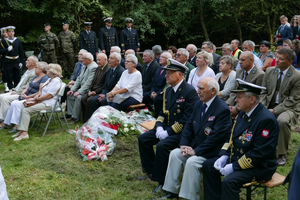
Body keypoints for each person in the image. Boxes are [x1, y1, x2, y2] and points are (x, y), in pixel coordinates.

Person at [202, 79, 279, 200]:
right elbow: (231, 138)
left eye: (239, 97)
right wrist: (224, 155)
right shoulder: (243, 113)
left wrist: (234, 166)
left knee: (229, 181)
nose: (235, 100)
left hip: (259, 166)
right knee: (208, 166)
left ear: (252, 100)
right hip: (239, 158)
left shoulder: (266, 120)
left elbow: (260, 154)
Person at [158, 77, 232, 200]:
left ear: (213, 91)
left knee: (192, 162)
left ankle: (190, 197)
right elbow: (188, 126)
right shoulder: (199, 104)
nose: (198, 91)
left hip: (211, 151)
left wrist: (196, 151)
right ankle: (171, 191)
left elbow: (215, 137)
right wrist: (184, 144)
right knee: (176, 154)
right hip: (195, 146)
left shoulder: (222, 109)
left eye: (201, 88)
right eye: (197, 87)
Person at [137, 59, 199, 193]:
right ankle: (151, 170)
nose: (166, 75)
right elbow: (162, 113)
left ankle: (162, 180)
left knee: (162, 145)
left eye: (170, 73)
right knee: (143, 139)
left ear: (180, 75)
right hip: (166, 128)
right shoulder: (168, 91)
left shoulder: (189, 92)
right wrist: (159, 126)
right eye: (166, 73)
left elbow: (187, 119)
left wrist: (168, 132)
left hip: (181, 132)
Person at [260, 47, 300, 166]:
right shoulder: (269, 71)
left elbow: (294, 99)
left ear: (289, 62)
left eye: (280, 59)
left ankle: (282, 153)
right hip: (269, 104)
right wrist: (262, 108)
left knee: (281, 121)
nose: (276, 60)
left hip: (289, 107)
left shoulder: (296, 76)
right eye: (276, 57)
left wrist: (275, 111)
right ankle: (259, 149)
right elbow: (263, 92)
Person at [13, 63, 63, 141]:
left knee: (26, 110)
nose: (47, 70)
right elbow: (41, 91)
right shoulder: (50, 79)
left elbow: (49, 95)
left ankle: (24, 133)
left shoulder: (56, 81)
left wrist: (36, 99)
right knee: (23, 107)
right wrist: (33, 98)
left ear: (53, 71)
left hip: (49, 103)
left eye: (48, 69)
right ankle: (22, 130)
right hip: (43, 101)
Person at [3, 62, 48, 133]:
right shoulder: (36, 77)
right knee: (14, 103)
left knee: (17, 104)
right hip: (26, 96)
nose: (35, 69)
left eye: (36, 67)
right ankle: (7, 123)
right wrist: (23, 92)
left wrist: (27, 96)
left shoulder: (44, 78)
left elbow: (40, 92)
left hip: (33, 98)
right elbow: (28, 86)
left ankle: (16, 125)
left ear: (41, 69)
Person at [0, 55, 38, 129]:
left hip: (23, 94)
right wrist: (14, 90)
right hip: (17, 91)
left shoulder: (34, 73)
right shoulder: (27, 71)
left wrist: (16, 92)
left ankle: (5, 122)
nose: (25, 61)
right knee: (0, 96)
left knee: (5, 99)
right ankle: (3, 119)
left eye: (28, 60)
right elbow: (21, 84)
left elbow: (27, 87)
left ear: (33, 63)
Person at [226, 52, 265, 119]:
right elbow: (234, 90)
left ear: (251, 60)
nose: (240, 62)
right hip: (237, 101)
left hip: (249, 104)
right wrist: (229, 105)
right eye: (239, 60)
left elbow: (258, 96)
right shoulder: (239, 72)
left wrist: (237, 109)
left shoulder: (260, 74)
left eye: (243, 60)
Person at [88, 52, 125, 118]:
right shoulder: (109, 70)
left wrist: (106, 95)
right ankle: (93, 120)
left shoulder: (121, 71)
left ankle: (105, 120)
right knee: (93, 100)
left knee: (103, 100)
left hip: (114, 94)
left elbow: (118, 87)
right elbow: (105, 85)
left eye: (111, 58)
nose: (109, 60)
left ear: (117, 61)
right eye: (109, 58)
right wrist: (103, 94)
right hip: (106, 93)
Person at [66, 52, 97, 124]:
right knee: (70, 95)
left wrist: (79, 92)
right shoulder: (84, 66)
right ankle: (71, 114)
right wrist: (72, 90)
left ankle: (76, 118)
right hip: (82, 88)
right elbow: (79, 79)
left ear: (89, 60)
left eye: (83, 58)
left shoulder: (93, 67)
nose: (81, 60)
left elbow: (88, 83)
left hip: (88, 89)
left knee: (79, 97)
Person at [81, 53, 109, 122]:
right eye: (97, 60)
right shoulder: (98, 68)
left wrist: (95, 92)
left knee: (90, 100)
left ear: (105, 60)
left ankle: (91, 120)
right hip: (93, 90)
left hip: (99, 91)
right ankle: (85, 119)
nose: (97, 62)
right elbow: (93, 81)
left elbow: (104, 85)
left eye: (99, 60)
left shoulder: (107, 69)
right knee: (83, 99)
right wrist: (90, 90)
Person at [0, 26, 25, 92]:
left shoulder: (18, 41)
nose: (11, 33)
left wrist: (21, 62)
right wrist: (6, 49)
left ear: (14, 32)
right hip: (8, 61)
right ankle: (10, 90)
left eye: (12, 32)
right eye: (9, 32)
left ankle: (17, 90)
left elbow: (21, 52)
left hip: (16, 61)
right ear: (7, 33)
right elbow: (0, 51)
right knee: (9, 77)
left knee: (17, 76)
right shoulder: (3, 41)